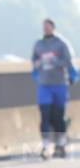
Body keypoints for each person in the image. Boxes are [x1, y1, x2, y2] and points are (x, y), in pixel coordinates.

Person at [31, 18, 76, 159]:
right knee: (44, 115)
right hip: (44, 85)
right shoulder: (38, 44)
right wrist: (37, 63)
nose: (46, 29)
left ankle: (61, 144)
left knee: (58, 117)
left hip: (59, 84)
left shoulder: (61, 44)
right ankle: (45, 146)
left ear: (53, 28)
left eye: (48, 27)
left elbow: (69, 62)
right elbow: (33, 61)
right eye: (44, 27)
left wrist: (56, 62)